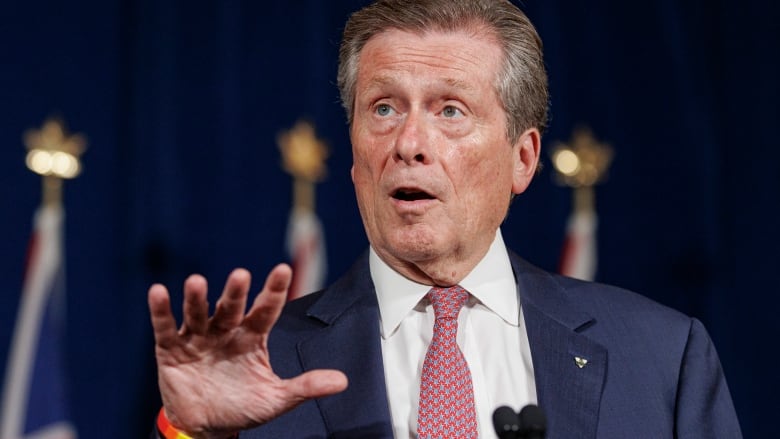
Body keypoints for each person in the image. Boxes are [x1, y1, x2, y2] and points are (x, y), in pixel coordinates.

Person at [148, 0, 742, 437]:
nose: (409, 143)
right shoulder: (261, 363)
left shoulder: (663, 357)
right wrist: (185, 434)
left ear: (523, 158)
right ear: (355, 158)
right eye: (383, 108)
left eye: (450, 110)